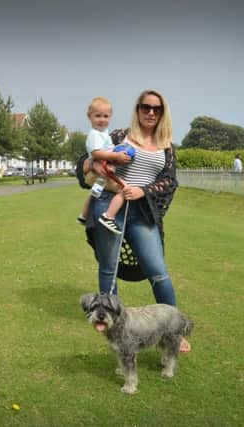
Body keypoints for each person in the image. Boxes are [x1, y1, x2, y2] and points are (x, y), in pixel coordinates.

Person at [86, 89, 190, 353]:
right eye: (145, 107)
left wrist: (143, 191)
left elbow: (169, 181)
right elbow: (90, 157)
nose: (151, 112)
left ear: (163, 112)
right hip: (110, 205)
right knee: (108, 269)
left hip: (141, 213)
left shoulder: (167, 146)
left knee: (158, 272)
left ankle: (174, 330)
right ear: (138, 109)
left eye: (157, 108)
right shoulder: (119, 136)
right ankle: (114, 326)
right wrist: (91, 166)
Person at [77, 97, 132, 232]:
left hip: (99, 174)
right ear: (89, 116)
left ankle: (83, 215)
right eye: (98, 116)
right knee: (123, 189)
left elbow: (108, 148)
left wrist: (117, 149)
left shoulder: (104, 133)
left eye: (106, 116)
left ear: (110, 117)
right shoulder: (95, 134)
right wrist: (116, 156)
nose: (102, 119)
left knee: (94, 193)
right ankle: (108, 216)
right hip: (96, 173)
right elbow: (96, 153)